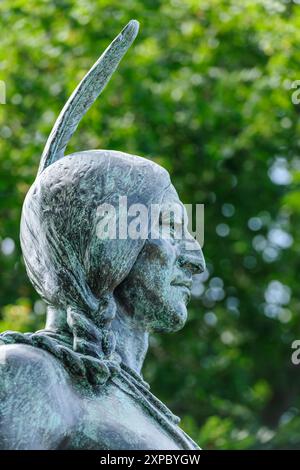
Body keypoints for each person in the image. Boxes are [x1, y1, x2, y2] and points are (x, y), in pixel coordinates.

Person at [0, 20, 204, 450]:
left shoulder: (142, 405)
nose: (196, 259)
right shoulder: (26, 373)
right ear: (105, 248)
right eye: (170, 227)